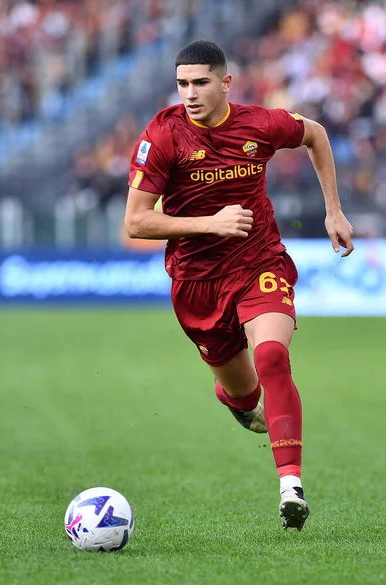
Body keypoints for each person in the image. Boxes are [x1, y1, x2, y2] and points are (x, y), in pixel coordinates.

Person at [124, 40, 354, 530]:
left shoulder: (260, 125)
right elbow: (137, 223)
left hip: (258, 262)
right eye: (182, 83)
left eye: (201, 82)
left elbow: (315, 135)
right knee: (247, 395)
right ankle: (236, 400)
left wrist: (334, 210)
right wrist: (210, 223)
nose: (189, 93)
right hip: (196, 284)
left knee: (272, 355)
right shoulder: (163, 136)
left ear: (226, 83)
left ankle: (290, 486)